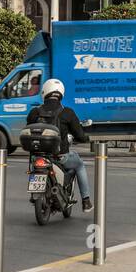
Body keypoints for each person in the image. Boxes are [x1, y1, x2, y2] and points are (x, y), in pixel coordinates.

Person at [27, 78, 92, 212]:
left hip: (37, 157)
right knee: (79, 164)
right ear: (61, 93)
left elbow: (28, 129)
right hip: (60, 157)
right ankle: (86, 201)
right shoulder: (67, 112)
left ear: (44, 92)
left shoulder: (34, 112)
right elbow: (80, 135)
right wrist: (86, 138)